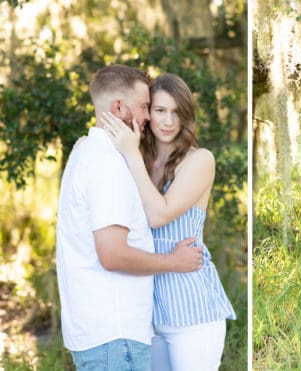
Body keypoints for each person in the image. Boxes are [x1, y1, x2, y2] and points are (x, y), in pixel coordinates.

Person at [56, 64, 203, 371]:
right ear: (119, 108)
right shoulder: (106, 164)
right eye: (145, 107)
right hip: (114, 335)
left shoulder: (87, 153)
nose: (149, 117)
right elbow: (112, 254)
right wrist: (173, 263)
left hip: (103, 334)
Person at [101, 72, 237, 371]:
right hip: (146, 310)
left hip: (191, 310)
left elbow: (158, 215)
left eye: (177, 112)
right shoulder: (141, 162)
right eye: (160, 110)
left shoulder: (200, 160)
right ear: (147, 112)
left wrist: (130, 154)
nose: (168, 121)